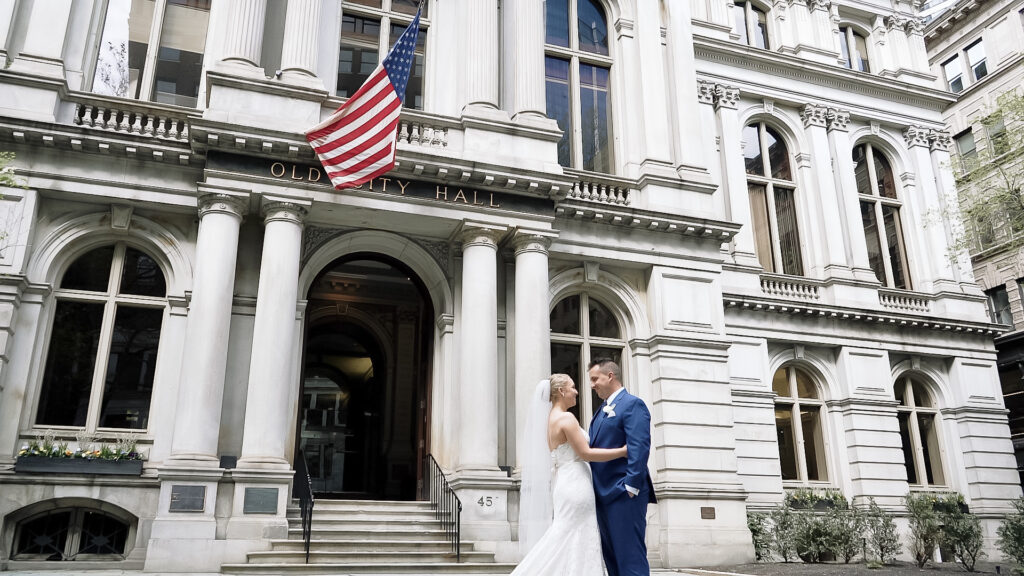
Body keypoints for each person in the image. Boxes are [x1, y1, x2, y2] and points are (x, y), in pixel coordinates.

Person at [513, 374, 627, 575]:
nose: (576, 391)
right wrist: (624, 451)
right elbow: (587, 454)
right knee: (575, 535)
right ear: (561, 391)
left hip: (565, 483)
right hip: (576, 485)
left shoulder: (550, 420)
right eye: (573, 387)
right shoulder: (566, 418)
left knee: (568, 536)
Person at [588, 358, 656, 576]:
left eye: (594, 379)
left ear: (610, 376)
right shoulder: (601, 410)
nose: (592, 385)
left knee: (630, 558)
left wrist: (631, 486)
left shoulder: (632, 404)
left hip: (624, 493)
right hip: (603, 495)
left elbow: (639, 447)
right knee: (613, 559)